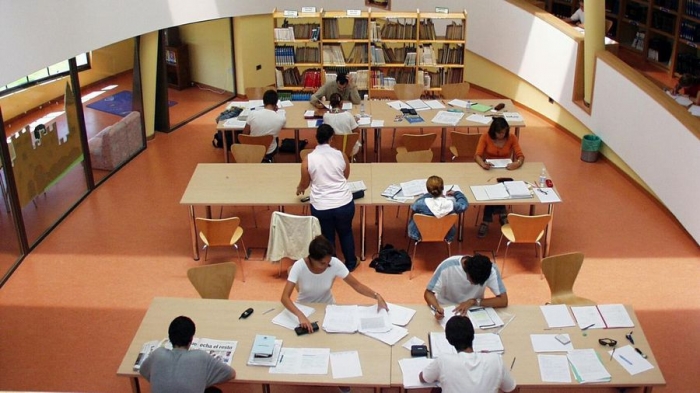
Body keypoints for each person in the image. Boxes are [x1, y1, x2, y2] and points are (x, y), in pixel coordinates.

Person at [281, 235, 389, 333]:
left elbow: (357, 285)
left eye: (328, 262)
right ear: (311, 258)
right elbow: (285, 298)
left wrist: (376, 295)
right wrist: (300, 315)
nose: (326, 266)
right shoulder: (299, 266)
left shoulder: (334, 263)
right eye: (322, 263)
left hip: (329, 309)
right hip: (305, 308)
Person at [297, 124, 358, 271]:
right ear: (331, 139)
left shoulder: (308, 159)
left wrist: (300, 188)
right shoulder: (341, 155)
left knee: (327, 236)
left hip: (321, 206)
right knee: (346, 232)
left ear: (316, 138)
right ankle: (350, 263)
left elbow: (305, 182)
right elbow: (346, 176)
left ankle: (331, 264)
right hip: (344, 203)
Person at [419, 316, 516, 393]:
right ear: (473, 335)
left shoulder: (443, 360)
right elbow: (510, 388)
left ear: (449, 340)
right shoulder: (495, 359)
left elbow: (424, 378)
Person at [139, 316, 235, 393]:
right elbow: (230, 373)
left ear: (170, 337)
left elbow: (143, 370)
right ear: (191, 339)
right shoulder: (200, 357)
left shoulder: (157, 354)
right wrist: (200, 381)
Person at [474, 117, 525, 238]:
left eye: (504, 132)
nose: (502, 135)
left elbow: (520, 156)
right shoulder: (485, 137)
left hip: (506, 170)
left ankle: (486, 220)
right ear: (494, 131)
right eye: (499, 132)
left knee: (499, 188)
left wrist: (516, 164)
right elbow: (477, 155)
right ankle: (502, 212)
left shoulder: (512, 138)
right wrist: (483, 164)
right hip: (489, 169)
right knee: (492, 188)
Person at [424, 254, 508, 320]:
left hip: (473, 309)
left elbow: (503, 300)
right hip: (446, 308)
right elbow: (428, 293)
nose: (472, 284)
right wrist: (436, 308)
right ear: (466, 268)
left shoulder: (491, 269)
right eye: (471, 280)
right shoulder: (447, 266)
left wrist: (474, 301)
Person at [408, 175, 468, 242]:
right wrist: (457, 193)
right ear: (442, 188)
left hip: (419, 234)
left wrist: (426, 195)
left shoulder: (420, 204)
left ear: (428, 189)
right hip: (446, 234)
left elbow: (414, 206)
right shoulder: (451, 204)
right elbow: (463, 205)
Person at [242, 89, 286, 162]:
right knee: (276, 138)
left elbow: (244, 134)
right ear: (276, 103)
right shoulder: (281, 118)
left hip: (253, 148)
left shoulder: (252, 114)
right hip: (269, 150)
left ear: (263, 102)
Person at [323, 93, 362, 157]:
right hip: (349, 148)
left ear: (330, 104)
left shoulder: (326, 116)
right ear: (341, 103)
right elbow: (357, 132)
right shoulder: (348, 115)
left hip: (332, 148)